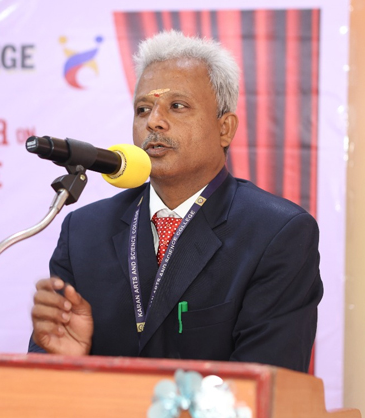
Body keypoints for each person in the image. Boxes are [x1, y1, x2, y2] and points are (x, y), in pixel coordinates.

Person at [28, 31, 323, 373]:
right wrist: (65, 361)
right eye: (143, 109)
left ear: (225, 128)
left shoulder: (277, 234)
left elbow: (267, 384)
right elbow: (43, 382)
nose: (153, 121)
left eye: (177, 106)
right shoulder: (84, 231)